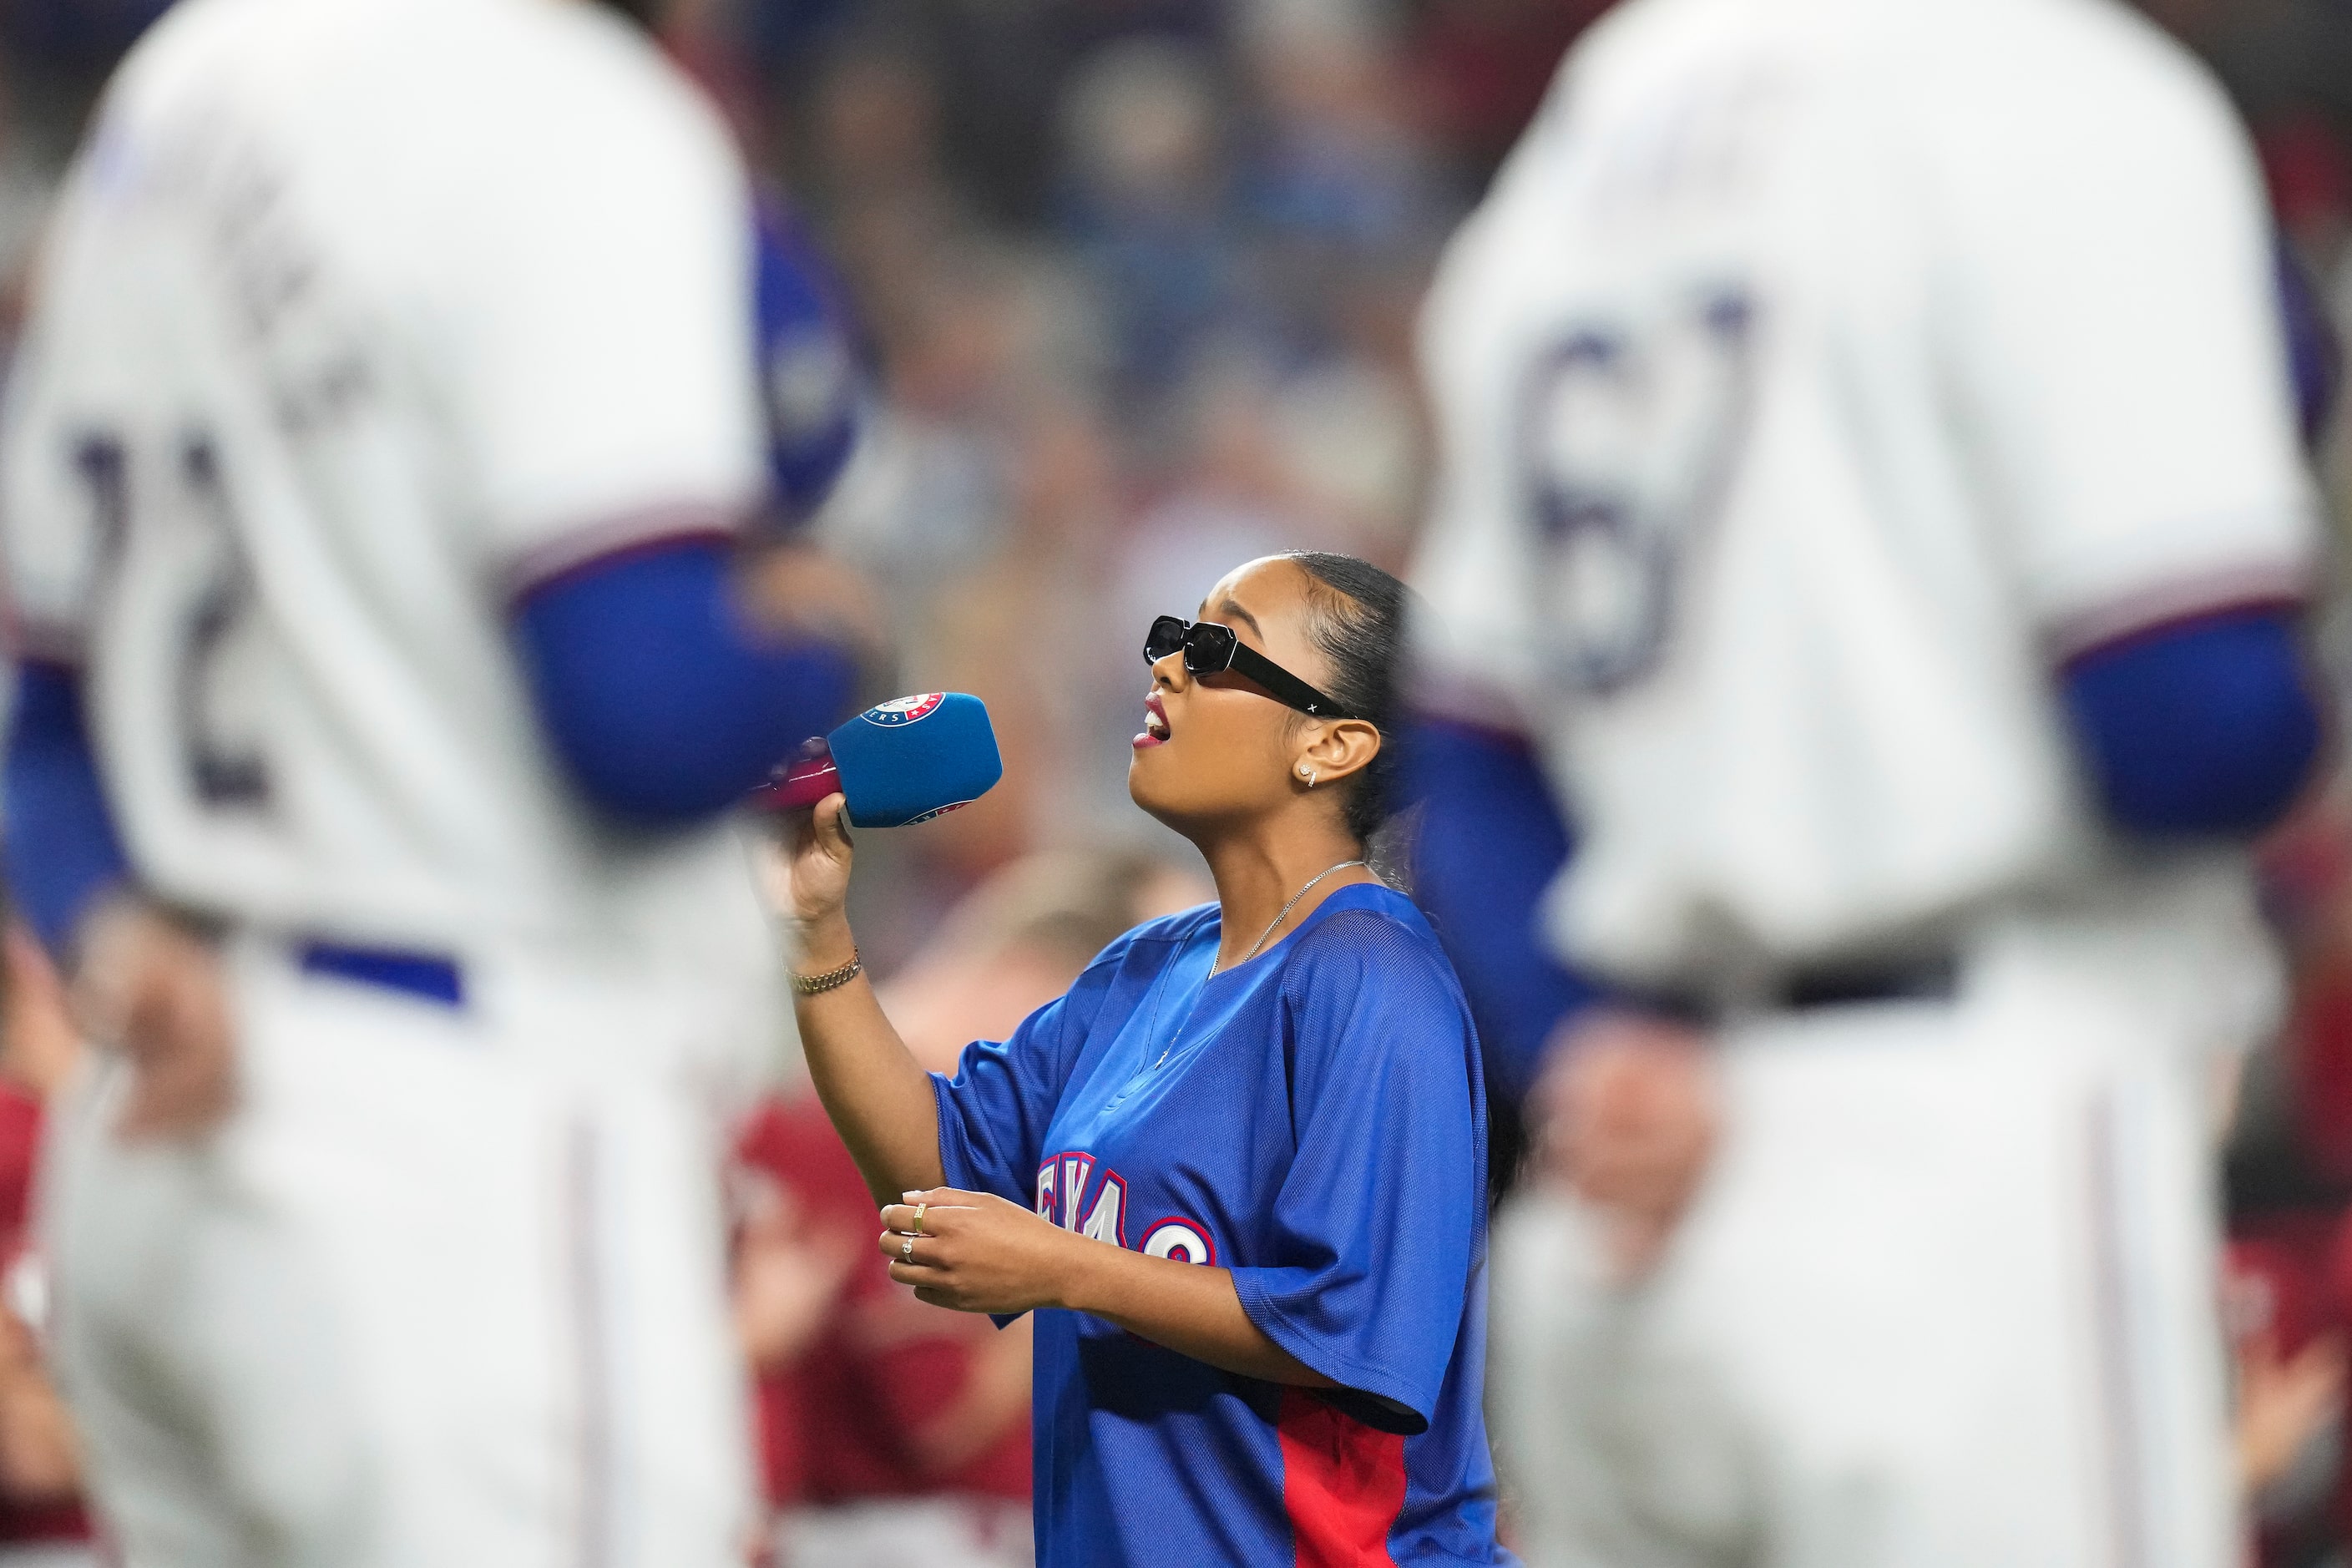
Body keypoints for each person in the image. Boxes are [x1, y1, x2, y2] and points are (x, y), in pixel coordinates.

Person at [1404, 0, 2329, 1561]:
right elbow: (2186, 723)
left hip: (1633, 1180)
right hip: (1970, 1163)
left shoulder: (1603, 117)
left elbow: (1474, 756)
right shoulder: (2062, 90)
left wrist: (1589, 1043)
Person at [0, 0, 865, 1560]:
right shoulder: (566, 114)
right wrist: (817, 656)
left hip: (156, 1124)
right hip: (456, 1150)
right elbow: (649, 717)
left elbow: (44, 722)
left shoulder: (183, 85)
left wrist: (111, 936)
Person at [771, 551, 1515, 1567]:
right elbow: (937, 1172)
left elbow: (1359, 1332)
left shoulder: (1373, 974)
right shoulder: (1144, 969)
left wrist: (1067, 1268)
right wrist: (819, 938)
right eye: (1174, 635)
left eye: (1218, 649)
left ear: (1331, 744)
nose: (1168, 665)